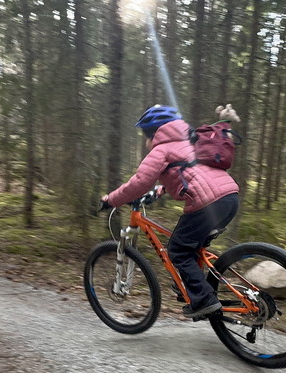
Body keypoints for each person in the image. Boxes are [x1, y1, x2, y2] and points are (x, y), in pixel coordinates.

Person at [101, 105, 240, 319]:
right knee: (192, 247)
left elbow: (139, 183)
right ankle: (193, 289)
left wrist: (111, 200)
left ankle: (204, 300)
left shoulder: (160, 150)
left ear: (153, 133)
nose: (145, 142)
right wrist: (159, 191)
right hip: (229, 197)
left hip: (207, 203)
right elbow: (189, 173)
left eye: (145, 136)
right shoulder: (191, 140)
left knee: (178, 250)